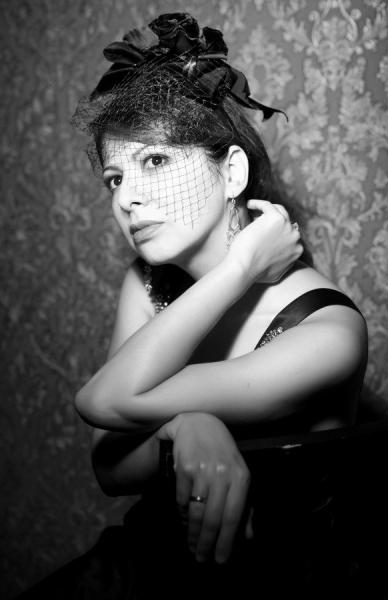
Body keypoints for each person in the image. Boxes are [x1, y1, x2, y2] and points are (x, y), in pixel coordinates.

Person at [18, 12, 368, 600]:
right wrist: (185, 424)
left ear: (232, 172)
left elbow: (103, 400)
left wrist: (240, 268)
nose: (127, 198)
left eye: (155, 161)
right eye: (114, 178)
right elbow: (109, 468)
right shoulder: (149, 283)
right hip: (150, 562)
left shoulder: (330, 331)